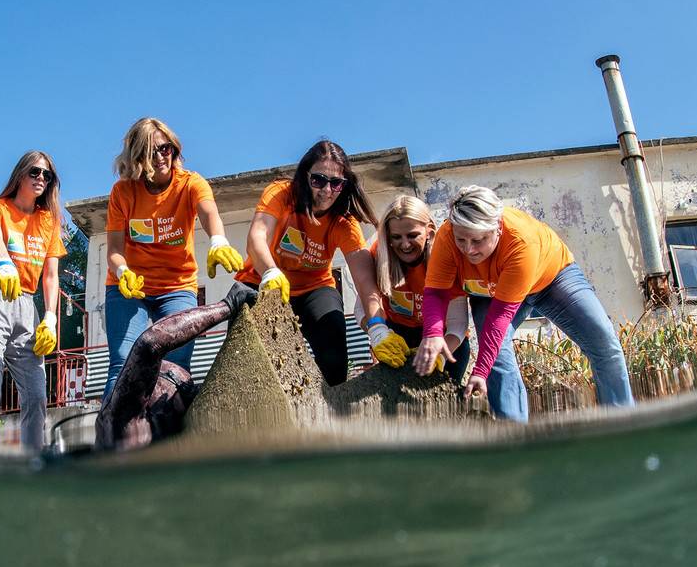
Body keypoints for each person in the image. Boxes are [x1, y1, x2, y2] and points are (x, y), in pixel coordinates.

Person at [412, 185, 633, 422]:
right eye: (461, 240)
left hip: (552, 280)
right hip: (489, 290)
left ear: (497, 227)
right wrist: (433, 333)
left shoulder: (521, 241)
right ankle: (514, 433)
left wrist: (479, 371)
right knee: (497, 355)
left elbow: (499, 319)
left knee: (603, 339)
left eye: (478, 240)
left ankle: (623, 421)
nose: (468, 250)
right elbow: (435, 293)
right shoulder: (446, 237)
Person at [103, 118, 243, 399]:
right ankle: (112, 438)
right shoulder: (123, 191)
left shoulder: (190, 183)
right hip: (130, 288)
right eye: (151, 151)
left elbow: (209, 213)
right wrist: (122, 272)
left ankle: (169, 436)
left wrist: (217, 240)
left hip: (176, 286)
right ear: (137, 156)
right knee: (121, 363)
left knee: (175, 366)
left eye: (165, 148)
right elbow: (114, 250)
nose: (160, 157)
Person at [236, 139, 380, 387]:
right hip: (263, 280)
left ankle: (334, 411)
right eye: (319, 180)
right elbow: (257, 237)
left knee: (334, 338)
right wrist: (270, 272)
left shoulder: (344, 224)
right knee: (246, 349)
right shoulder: (282, 194)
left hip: (313, 287)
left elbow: (365, 280)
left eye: (336, 183)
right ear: (305, 176)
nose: (326, 190)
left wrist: (378, 327)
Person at [0, 149, 66, 451]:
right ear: (20, 175)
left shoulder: (49, 221)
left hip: (27, 306)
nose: (40, 179)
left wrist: (50, 318)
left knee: (36, 395)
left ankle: (32, 463)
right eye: (34, 172)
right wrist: (4, 263)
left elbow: (50, 276)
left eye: (46, 175)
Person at [96, 282, 258, 451]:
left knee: (125, 366)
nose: (189, 386)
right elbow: (151, 343)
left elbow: (151, 344)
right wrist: (228, 306)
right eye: (182, 384)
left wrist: (229, 308)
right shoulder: (132, 429)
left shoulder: (125, 420)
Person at [354, 194, 470, 381]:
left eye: (413, 235)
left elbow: (458, 322)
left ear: (429, 231)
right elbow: (361, 308)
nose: (405, 244)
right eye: (396, 237)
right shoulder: (378, 254)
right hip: (398, 336)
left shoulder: (448, 257)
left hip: (446, 338)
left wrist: (439, 353)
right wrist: (379, 334)